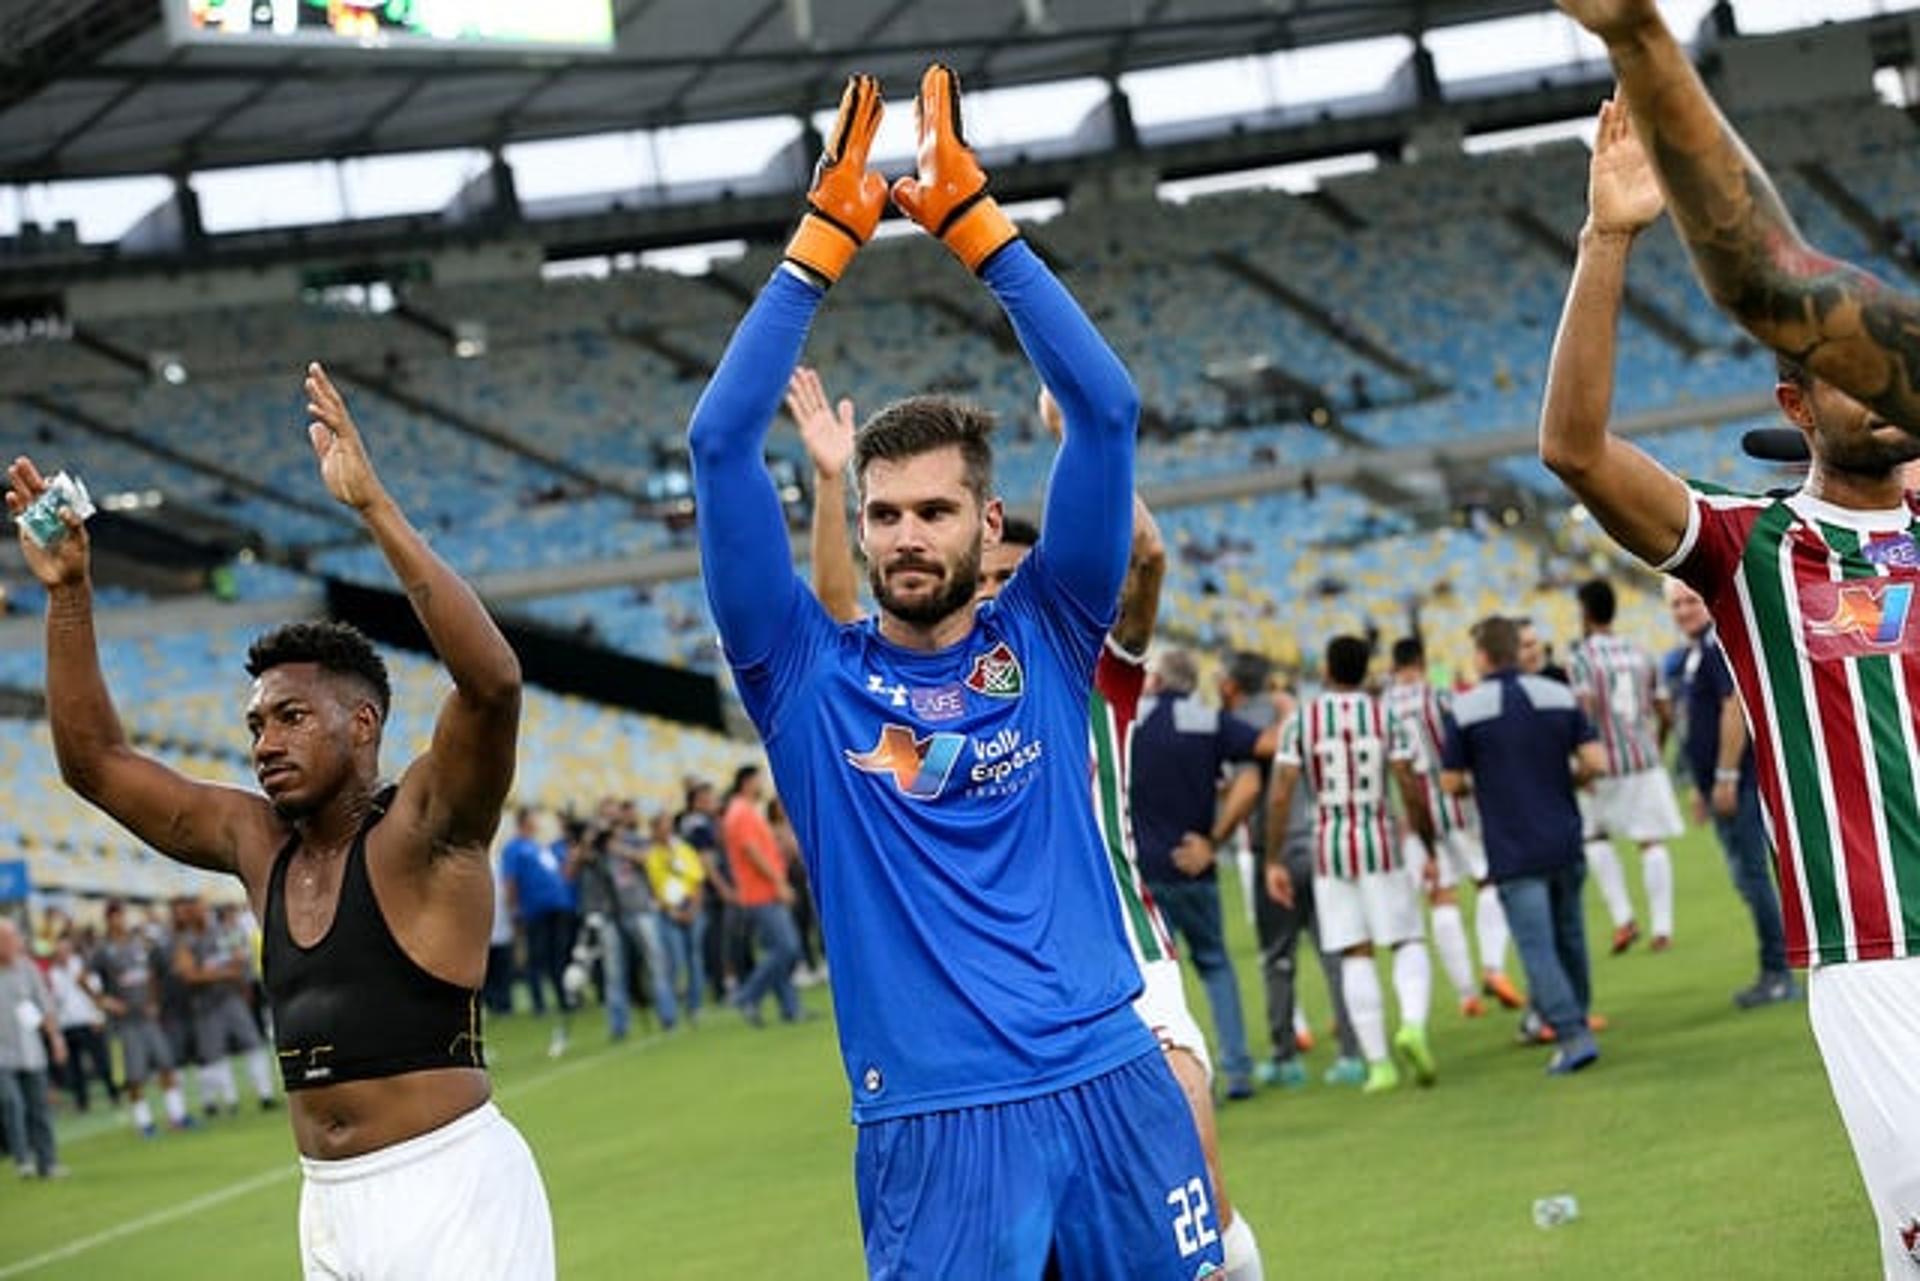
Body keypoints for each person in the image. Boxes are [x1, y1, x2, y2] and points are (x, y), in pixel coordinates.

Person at [689, 66, 1222, 1276]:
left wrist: (981, 231)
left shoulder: (1050, 629)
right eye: (883, 514)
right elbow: (718, 443)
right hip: (936, 1126)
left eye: (935, 511)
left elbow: (1107, 415)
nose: (906, 536)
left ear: (990, 526)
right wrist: (821, 246)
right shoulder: (804, 678)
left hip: (1112, 1078)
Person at [6, 362, 551, 1276]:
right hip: (328, 1207)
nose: (264, 740)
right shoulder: (256, 841)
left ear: (363, 722)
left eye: (291, 717)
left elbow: (492, 683)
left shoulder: (427, 825)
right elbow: (95, 765)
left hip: (451, 1185)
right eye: (256, 722)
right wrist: (68, 595)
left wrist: (372, 506)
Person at [1537, 74, 1920, 1267]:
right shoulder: (1752, 551)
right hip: (1880, 955)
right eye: (1849, 371)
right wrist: (1608, 238)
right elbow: (1577, 450)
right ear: (1794, 402)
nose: (1883, 384)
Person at [795, 369, 1266, 1279]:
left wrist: (1079, 440)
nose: (998, 596)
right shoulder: (926, 703)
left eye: (1012, 576)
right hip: (1011, 1007)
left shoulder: (1084, 660)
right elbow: (840, 621)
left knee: (1202, 1183)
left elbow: (1145, 558)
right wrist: (825, 486)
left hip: (1130, 958)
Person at [1265, 635, 1438, 1095]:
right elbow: (1409, 783)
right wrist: (1428, 847)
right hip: (1380, 840)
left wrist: (1273, 859)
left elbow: (1281, 793)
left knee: (1355, 951)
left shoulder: (1302, 721)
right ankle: (1414, 1026)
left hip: (1329, 847)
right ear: (1365, 671)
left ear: (1327, 669)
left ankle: (1379, 1064)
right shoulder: (1385, 717)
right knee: (1406, 940)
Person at [1438, 617, 1607, 1075]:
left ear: (1484, 655)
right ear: (1516, 650)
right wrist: (1564, 776)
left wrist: (1488, 778)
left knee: (1538, 948)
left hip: (1513, 845)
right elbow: (1595, 760)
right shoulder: (1557, 694)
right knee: (1571, 937)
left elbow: (1451, 780)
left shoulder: (1468, 708)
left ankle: (1572, 1035)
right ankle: (1579, 1018)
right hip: (1564, 835)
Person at [1130, 646, 1275, 1101]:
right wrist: (1214, 838)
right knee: (1215, 966)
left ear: (1155, 680)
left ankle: (1178, 1079)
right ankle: (1237, 1070)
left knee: (1159, 978)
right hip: (1195, 863)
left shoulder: (1127, 724)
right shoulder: (1207, 721)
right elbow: (1265, 747)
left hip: (1141, 870)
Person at [1664, 578, 1795, 1008]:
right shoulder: (1693, 653)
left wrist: (1723, 776)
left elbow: (1733, 706)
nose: (1683, 611)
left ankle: (1778, 971)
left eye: (1690, 601)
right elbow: (1692, 721)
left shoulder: (1716, 643)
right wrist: (1702, 786)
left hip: (1739, 781)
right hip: (1719, 782)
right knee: (1747, 877)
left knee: (1753, 876)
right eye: (1676, 604)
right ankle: (1777, 967)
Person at [1384, 635, 1522, 1017]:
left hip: (1414, 813)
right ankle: (1493, 968)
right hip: (1457, 801)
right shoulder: (1443, 698)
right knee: (1487, 882)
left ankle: (1466, 995)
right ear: (1422, 663)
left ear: (1395, 667)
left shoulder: (1383, 708)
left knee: (1441, 896)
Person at [1255, 683, 1366, 1089]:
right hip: (1320, 851)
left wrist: (1270, 858)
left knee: (1278, 960)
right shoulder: (1319, 730)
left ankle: (1286, 1060)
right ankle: (1353, 1054)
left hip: (1283, 854)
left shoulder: (1264, 736)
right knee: (1335, 953)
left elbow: (1266, 795)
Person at [1569, 578, 1683, 954]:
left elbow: (1583, 713)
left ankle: (1624, 919)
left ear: (1585, 612)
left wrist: (1581, 763)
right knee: (1651, 841)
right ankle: (1663, 928)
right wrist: (1657, 744)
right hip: (1644, 758)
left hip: (1604, 764)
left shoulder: (1582, 657)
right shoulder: (1640, 652)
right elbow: (1666, 711)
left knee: (1595, 838)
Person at [93, 899, 193, 1136]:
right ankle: (144, 1123)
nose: (121, 920)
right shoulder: (102, 949)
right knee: (135, 1075)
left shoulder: (139, 943)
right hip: (125, 1022)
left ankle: (177, 1116)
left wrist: (154, 1001)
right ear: (108, 919)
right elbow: (82, 978)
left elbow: (153, 975)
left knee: (166, 1065)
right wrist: (104, 1001)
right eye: (116, 916)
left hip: (146, 1017)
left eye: (122, 915)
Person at [172, 895, 276, 1115]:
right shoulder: (185, 940)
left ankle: (265, 1095)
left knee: (252, 1044)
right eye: (195, 910)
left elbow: (240, 961)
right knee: (214, 1054)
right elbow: (189, 975)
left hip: (231, 998)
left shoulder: (224, 931)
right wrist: (222, 972)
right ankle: (230, 1100)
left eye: (201, 908)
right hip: (205, 1005)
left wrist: (211, 973)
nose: (200, 913)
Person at [721, 766, 802, 1027]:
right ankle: (747, 996)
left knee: (778, 949)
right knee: (786, 948)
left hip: (762, 890)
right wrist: (778, 882)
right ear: (746, 782)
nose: (762, 785)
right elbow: (751, 850)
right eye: (758, 780)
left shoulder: (743, 811)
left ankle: (790, 1009)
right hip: (760, 892)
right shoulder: (740, 812)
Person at [501, 807, 578, 1034]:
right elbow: (511, 881)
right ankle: (539, 1003)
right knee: (537, 957)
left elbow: (559, 873)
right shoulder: (514, 848)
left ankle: (563, 999)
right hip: (534, 910)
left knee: (559, 956)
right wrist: (515, 910)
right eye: (534, 818)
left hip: (557, 908)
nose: (538, 823)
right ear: (524, 821)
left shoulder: (539, 847)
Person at [0, 919, 65, 1179]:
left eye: (12, 937)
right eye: (6, 939)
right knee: (12, 1103)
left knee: (39, 1107)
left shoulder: (27, 968)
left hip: (31, 1050)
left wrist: (56, 1039)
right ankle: (22, 1158)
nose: (12, 943)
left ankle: (47, 1162)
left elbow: (46, 1006)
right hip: (2, 1055)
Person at [644, 809, 707, 1025]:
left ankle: (694, 1006)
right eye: (661, 826)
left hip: (690, 906)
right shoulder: (652, 856)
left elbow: (697, 879)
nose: (666, 830)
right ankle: (670, 1013)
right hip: (668, 912)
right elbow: (655, 888)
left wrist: (693, 910)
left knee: (695, 960)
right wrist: (674, 912)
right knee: (673, 961)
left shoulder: (683, 849)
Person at [48, 932, 116, 1114]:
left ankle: (113, 1093)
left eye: (64, 950)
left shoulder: (82, 966)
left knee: (101, 1060)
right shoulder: (53, 973)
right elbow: (53, 1001)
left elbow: (96, 993)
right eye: (59, 951)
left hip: (87, 1019)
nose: (62, 954)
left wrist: (98, 1016)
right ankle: (82, 1102)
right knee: (75, 1067)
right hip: (67, 1024)